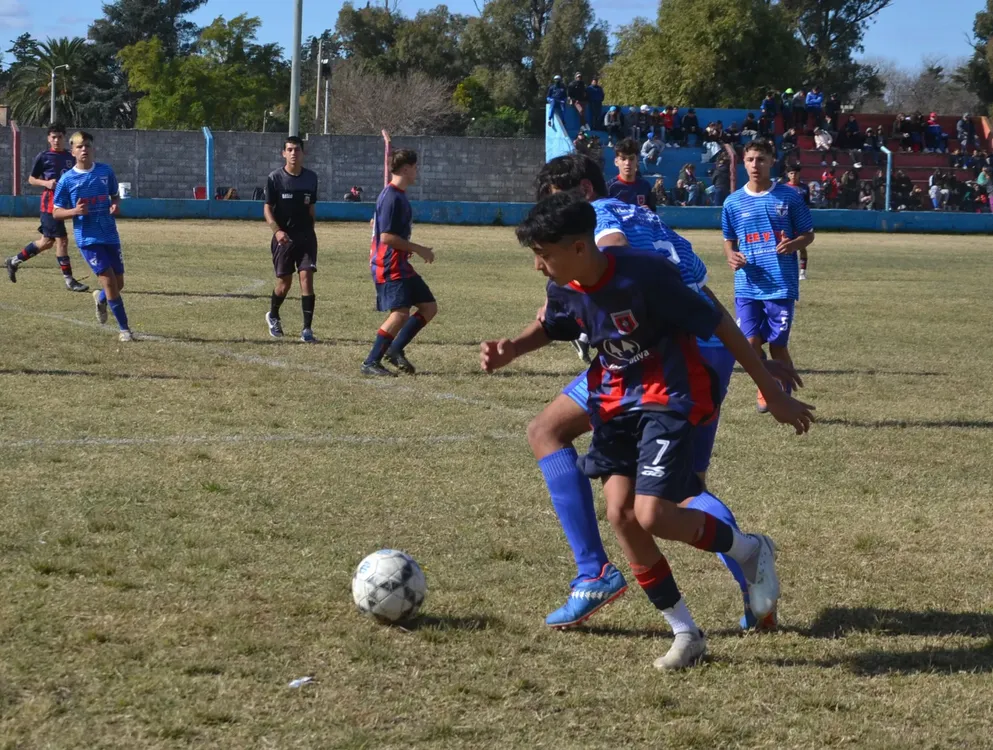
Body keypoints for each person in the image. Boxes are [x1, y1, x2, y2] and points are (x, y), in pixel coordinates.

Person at [482, 191, 814, 668]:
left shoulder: (646, 273)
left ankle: (748, 549)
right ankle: (686, 632)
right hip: (613, 400)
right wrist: (512, 348)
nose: (539, 266)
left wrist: (771, 388)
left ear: (580, 246)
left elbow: (718, 321)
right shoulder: (565, 284)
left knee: (653, 513)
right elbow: (554, 325)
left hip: (669, 394)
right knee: (621, 515)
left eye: (544, 255)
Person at [722, 138, 815, 414]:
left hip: (781, 285)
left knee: (777, 346)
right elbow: (729, 238)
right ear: (743, 161)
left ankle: (782, 386)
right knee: (749, 343)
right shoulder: (733, 202)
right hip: (748, 284)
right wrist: (731, 255)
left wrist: (793, 244)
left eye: (761, 159)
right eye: (750, 159)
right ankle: (766, 387)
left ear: (772, 161)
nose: (755, 165)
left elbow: (808, 234)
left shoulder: (789, 197)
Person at [51, 131, 133, 342]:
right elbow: (56, 211)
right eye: (79, 146)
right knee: (108, 281)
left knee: (119, 283)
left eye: (87, 145)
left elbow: (114, 195)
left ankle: (100, 298)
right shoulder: (67, 180)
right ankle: (125, 329)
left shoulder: (105, 172)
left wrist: (116, 203)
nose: (84, 149)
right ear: (73, 152)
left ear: (93, 148)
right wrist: (74, 212)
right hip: (88, 239)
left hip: (110, 235)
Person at [363, 149, 437, 377]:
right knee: (400, 314)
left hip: (400, 263)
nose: (417, 172)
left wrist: (406, 248)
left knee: (429, 307)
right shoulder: (392, 197)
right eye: (415, 167)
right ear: (406, 168)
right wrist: (418, 248)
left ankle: (395, 349)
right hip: (389, 265)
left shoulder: (398, 195)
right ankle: (371, 362)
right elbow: (385, 236)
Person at [5, 124, 88, 292]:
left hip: (65, 205)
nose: (56, 140)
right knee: (61, 241)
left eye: (60, 136)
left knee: (46, 242)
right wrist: (46, 183)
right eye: (53, 137)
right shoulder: (44, 156)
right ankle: (69, 280)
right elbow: (31, 179)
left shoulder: (71, 156)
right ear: (49, 138)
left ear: (65, 138)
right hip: (49, 205)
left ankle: (13, 261)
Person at [263, 136, 320, 343]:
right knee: (284, 283)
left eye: (297, 149)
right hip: (284, 238)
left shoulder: (311, 178)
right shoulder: (275, 178)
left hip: (305, 237)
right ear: (283, 153)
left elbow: (311, 207)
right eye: (290, 149)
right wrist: (276, 231)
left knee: (307, 277)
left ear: (303, 153)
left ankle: (307, 329)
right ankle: (274, 315)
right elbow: (267, 208)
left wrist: (311, 231)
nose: (293, 153)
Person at [607, 138, 656, 210]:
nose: (627, 163)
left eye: (631, 159)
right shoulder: (609, 187)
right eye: (623, 159)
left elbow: (653, 212)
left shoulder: (645, 186)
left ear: (637, 161)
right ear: (616, 162)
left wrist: (648, 211)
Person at [784, 167, 811, 280]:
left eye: (795, 173)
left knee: (802, 246)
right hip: (787, 221)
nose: (793, 176)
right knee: (785, 246)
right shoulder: (784, 188)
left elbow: (807, 205)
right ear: (788, 175)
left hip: (799, 221)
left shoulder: (804, 188)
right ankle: (786, 272)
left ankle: (802, 272)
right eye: (791, 173)